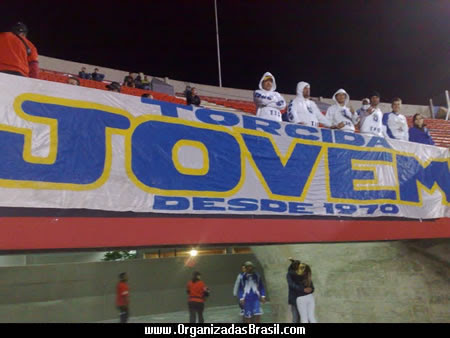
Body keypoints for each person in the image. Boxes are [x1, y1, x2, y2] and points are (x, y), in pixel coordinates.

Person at [286, 258, 302, 323]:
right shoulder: (290, 274)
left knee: (300, 316)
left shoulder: (299, 274)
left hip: (300, 297)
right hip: (294, 298)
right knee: (296, 317)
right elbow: (291, 284)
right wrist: (301, 288)